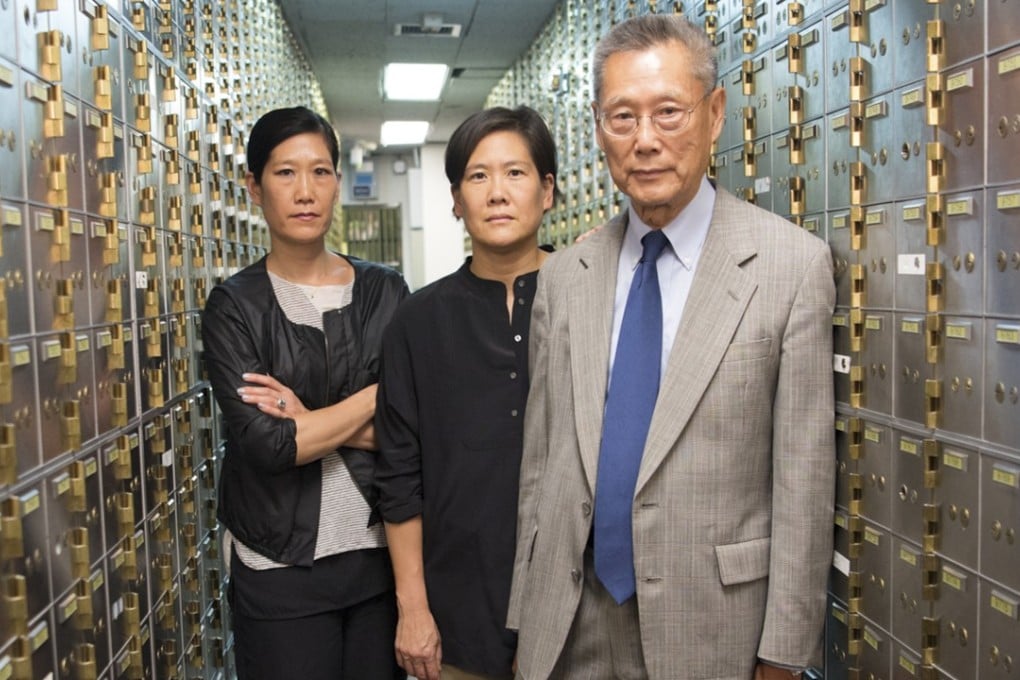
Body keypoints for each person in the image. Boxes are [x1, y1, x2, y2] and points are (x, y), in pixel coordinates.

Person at [507, 15, 835, 680]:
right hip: (569, 625)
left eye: (668, 112)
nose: (645, 141)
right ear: (598, 129)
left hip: (714, 627)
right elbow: (541, 468)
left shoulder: (789, 267)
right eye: (622, 117)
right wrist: (524, 615)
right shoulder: (564, 278)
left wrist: (784, 654)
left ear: (714, 116)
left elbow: (802, 478)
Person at [201, 106, 407, 680]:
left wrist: (308, 418)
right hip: (279, 566)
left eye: (320, 172)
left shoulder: (386, 292)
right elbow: (269, 445)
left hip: (379, 560)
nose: (305, 191)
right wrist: (375, 397)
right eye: (285, 173)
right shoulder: (235, 306)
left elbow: (413, 430)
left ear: (337, 183)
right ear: (254, 186)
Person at [374, 106, 558, 680]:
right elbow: (399, 473)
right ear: (456, 199)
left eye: (516, 173)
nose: (497, 193)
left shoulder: (593, 299)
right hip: (457, 617)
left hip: (580, 614)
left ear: (547, 190)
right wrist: (413, 610)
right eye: (478, 177)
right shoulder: (418, 320)